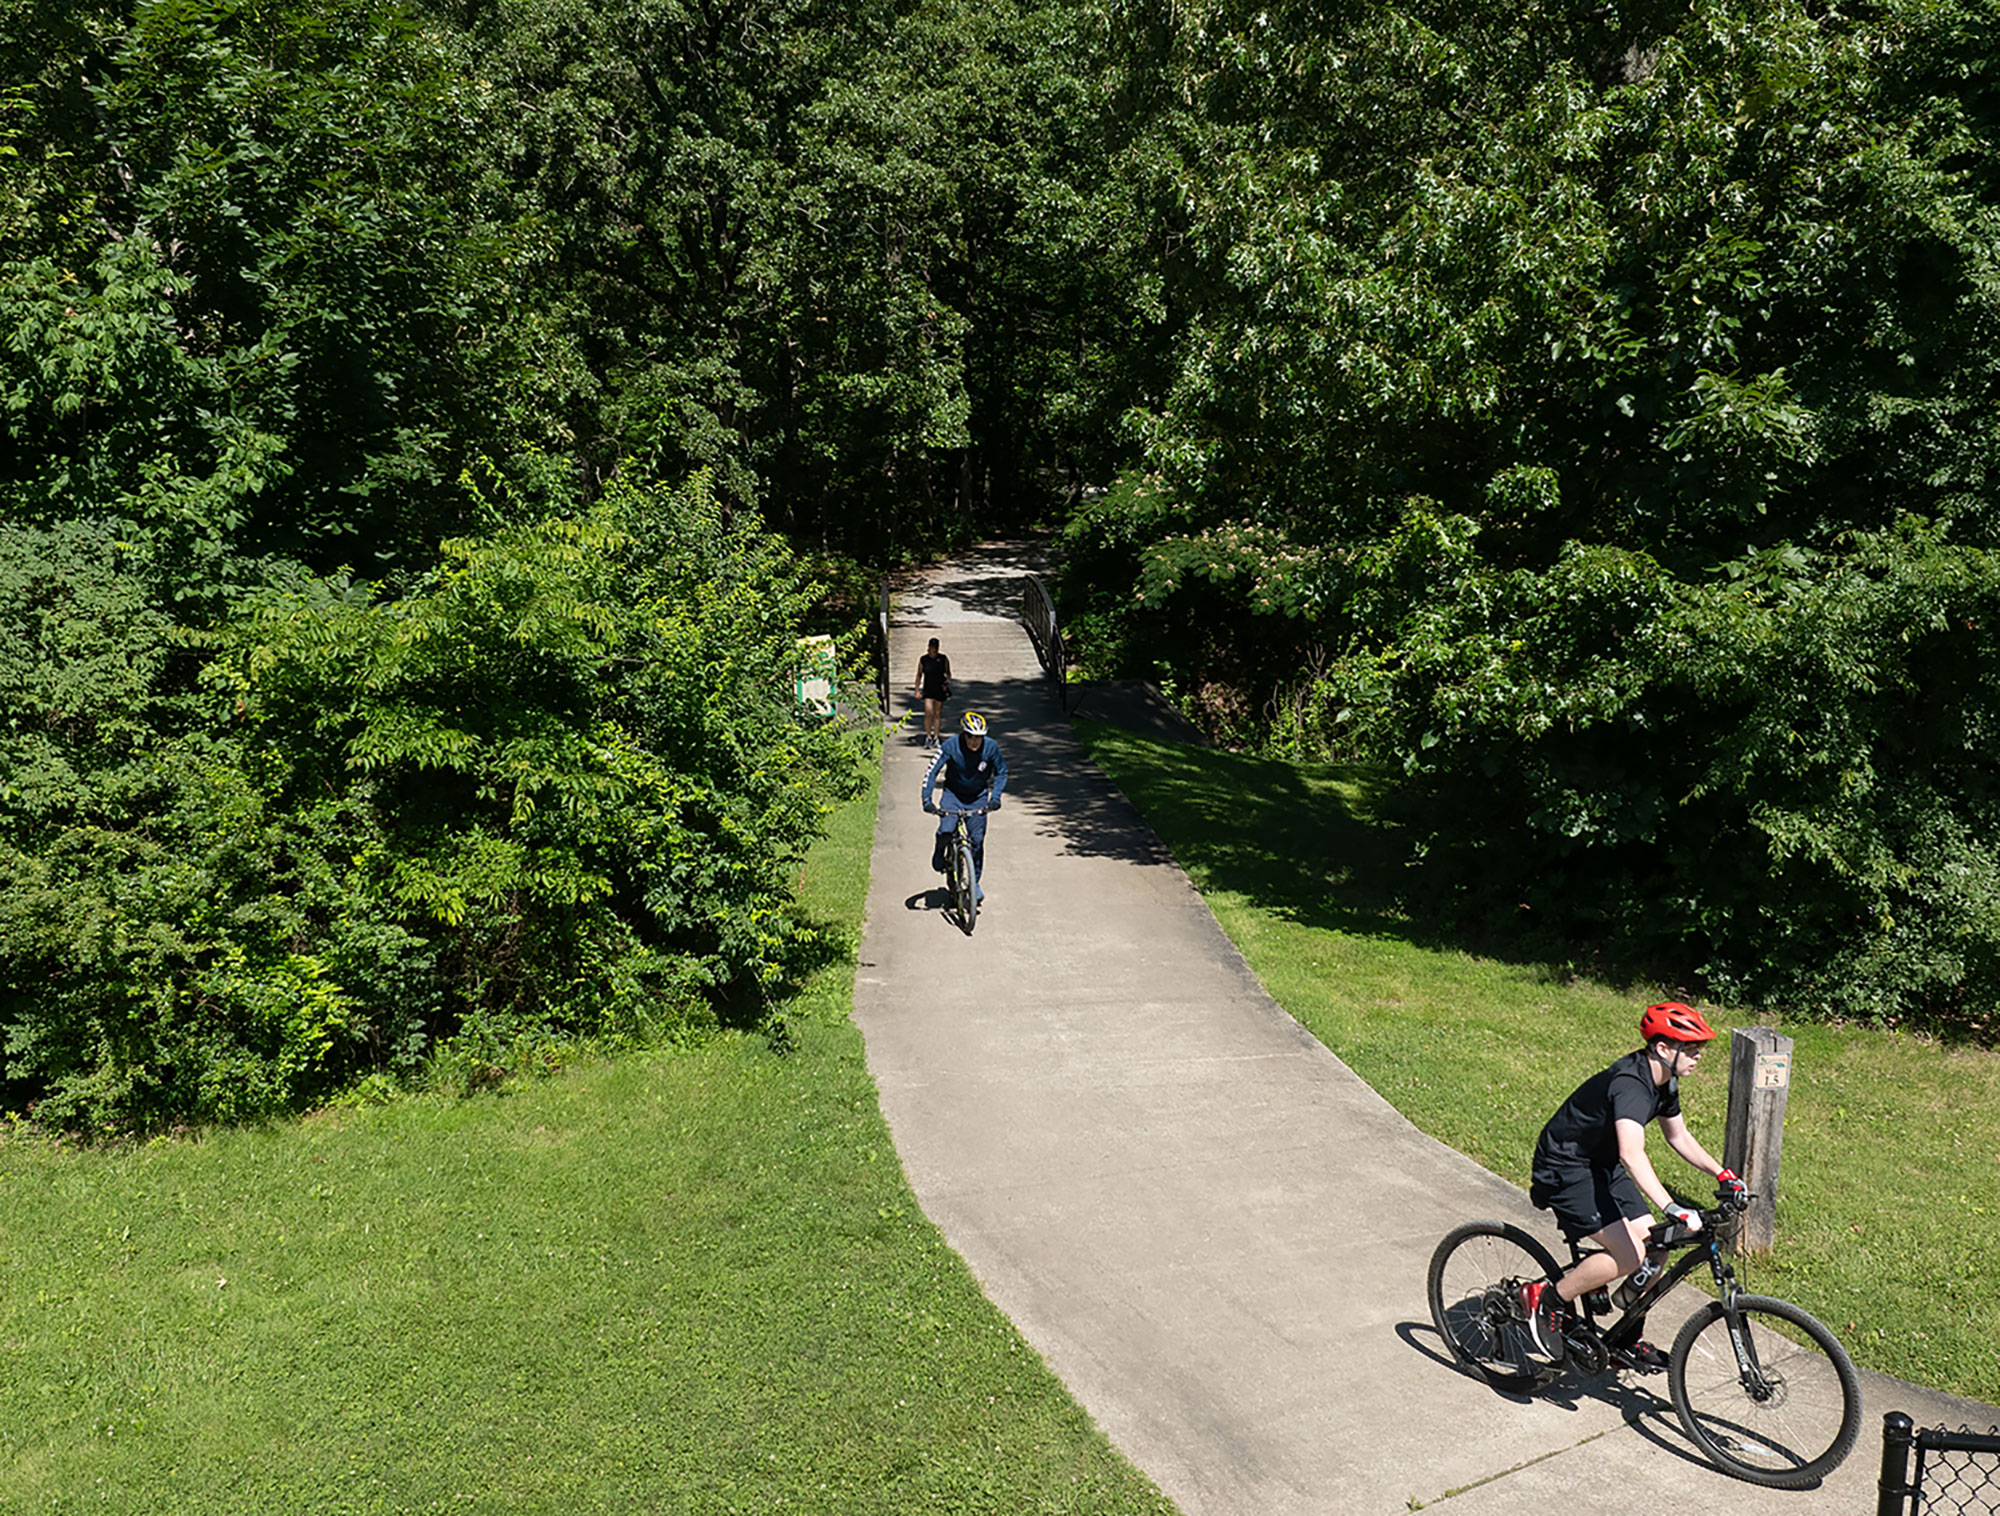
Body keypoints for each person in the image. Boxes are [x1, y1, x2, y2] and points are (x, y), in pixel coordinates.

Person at [1517, 1002, 1746, 1369]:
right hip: (1567, 1166)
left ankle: (1624, 1334)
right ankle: (1546, 1299)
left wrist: (1722, 1173)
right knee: (1629, 1256)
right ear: (1662, 1049)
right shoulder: (1630, 1086)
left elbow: (1679, 1136)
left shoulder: (1664, 1082)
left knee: (1657, 1247)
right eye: (1689, 1047)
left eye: (1699, 1047)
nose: (1698, 1055)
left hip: (1600, 1164)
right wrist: (1672, 1207)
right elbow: (1632, 1152)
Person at [921, 710, 1007, 901]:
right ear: (963, 734)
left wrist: (996, 798)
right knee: (947, 829)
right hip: (953, 794)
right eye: (971, 737)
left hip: (978, 796)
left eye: (979, 738)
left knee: (977, 841)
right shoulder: (951, 746)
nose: (975, 742)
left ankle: (974, 881)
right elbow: (931, 771)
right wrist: (927, 800)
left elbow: (1002, 773)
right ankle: (940, 849)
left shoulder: (991, 748)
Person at [913, 637, 952, 749]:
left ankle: (936, 737)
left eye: (935, 647)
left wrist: (947, 683)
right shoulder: (924, 660)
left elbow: (948, 673)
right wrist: (917, 689)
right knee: (928, 713)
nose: (933, 649)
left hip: (939, 689)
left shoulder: (943, 659)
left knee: (937, 714)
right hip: (928, 689)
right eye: (932, 647)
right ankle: (928, 736)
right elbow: (919, 674)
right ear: (928, 647)